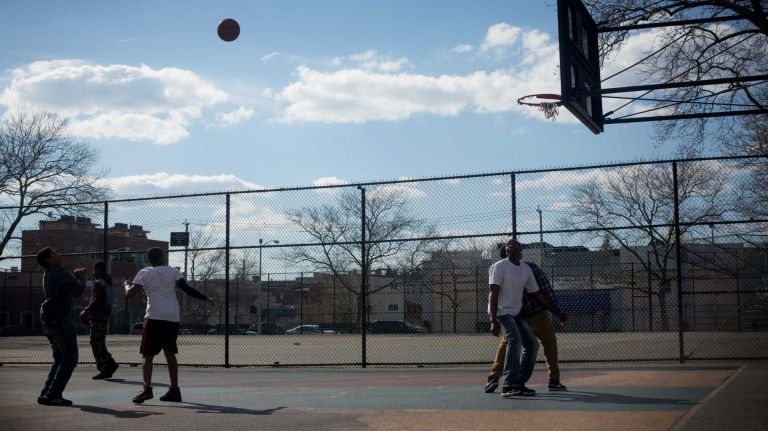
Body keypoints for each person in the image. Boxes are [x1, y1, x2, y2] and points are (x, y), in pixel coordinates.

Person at [125, 247, 213, 404]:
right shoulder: (173, 271)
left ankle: (147, 389)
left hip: (155, 316)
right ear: (162, 258)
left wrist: (125, 286)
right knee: (170, 353)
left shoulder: (145, 272)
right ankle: (174, 390)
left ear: (149, 260)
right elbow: (187, 289)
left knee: (147, 355)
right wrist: (206, 298)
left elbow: (130, 294)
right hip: (172, 317)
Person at [488, 238, 567, 398]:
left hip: (526, 313)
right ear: (506, 253)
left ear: (520, 251)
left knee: (531, 344)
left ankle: (517, 382)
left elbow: (539, 293)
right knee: (514, 341)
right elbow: (493, 294)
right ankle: (507, 383)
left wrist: (557, 311)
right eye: (508, 246)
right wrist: (493, 320)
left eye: (514, 245)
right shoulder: (499, 267)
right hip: (508, 313)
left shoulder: (527, 269)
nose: (510, 247)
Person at [36, 247, 86, 406]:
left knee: (59, 357)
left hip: (48, 319)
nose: (60, 254)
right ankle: (53, 394)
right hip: (61, 319)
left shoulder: (47, 275)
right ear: (48, 260)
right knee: (70, 358)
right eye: (55, 253)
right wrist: (81, 278)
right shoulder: (61, 273)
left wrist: (75, 277)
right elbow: (78, 291)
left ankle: (47, 392)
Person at [80, 261, 119, 380]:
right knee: (99, 342)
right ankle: (110, 364)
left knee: (95, 343)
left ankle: (105, 368)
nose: (93, 272)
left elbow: (98, 301)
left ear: (98, 270)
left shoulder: (99, 283)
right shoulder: (107, 281)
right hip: (104, 314)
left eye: (94, 270)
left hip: (98, 315)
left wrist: (86, 309)